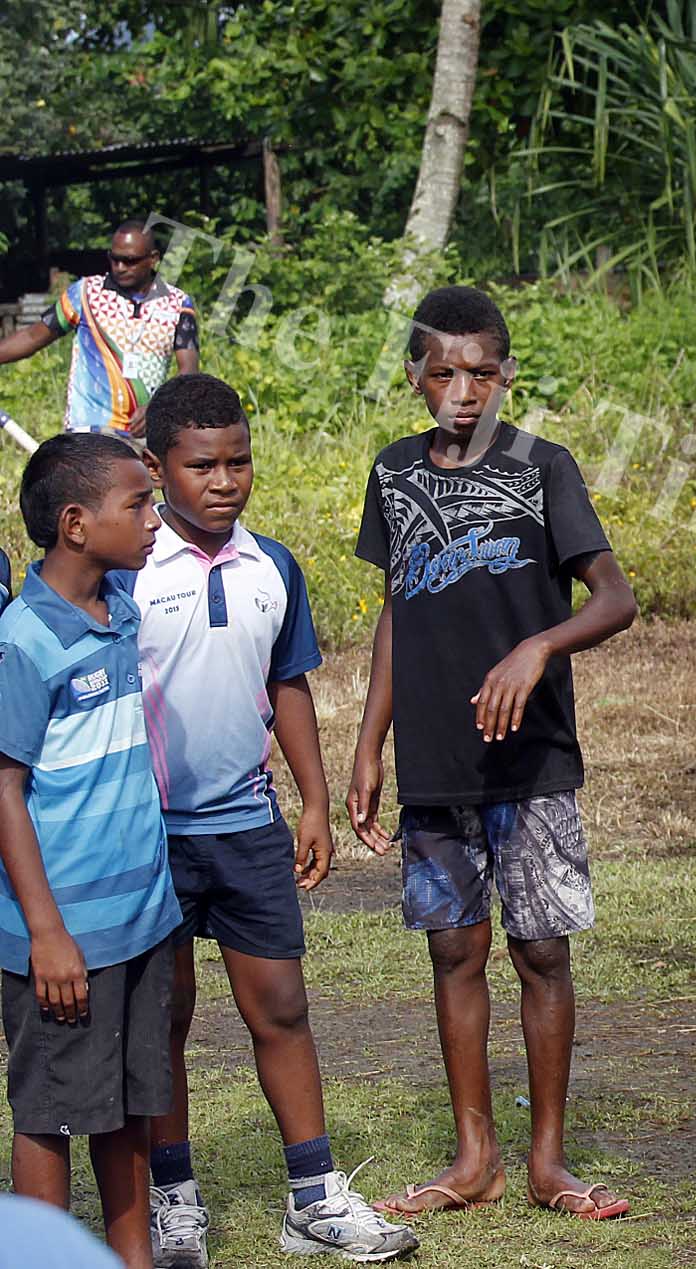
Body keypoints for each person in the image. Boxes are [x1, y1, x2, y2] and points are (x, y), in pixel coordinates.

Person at [347, 286, 639, 1220]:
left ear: (506, 377)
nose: (463, 390)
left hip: (531, 756)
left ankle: (549, 1159)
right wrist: (369, 740)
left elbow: (613, 597)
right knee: (454, 949)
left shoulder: (541, 466)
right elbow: (397, 608)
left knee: (541, 949)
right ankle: (477, 1157)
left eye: (482, 373)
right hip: (436, 759)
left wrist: (539, 645)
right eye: (445, 372)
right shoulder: (393, 474)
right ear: (415, 378)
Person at [125, 374, 418, 1264]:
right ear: (156, 467)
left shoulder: (273, 565)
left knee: (281, 1006)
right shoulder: (125, 567)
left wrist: (315, 797)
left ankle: (314, 1196)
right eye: (201, 465)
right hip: (147, 835)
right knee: (164, 1014)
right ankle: (173, 1199)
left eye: (239, 461)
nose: (225, 481)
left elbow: (286, 685)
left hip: (247, 829)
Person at [0, 432, 180, 1269]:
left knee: (130, 1102)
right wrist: (46, 932)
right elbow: (4, 788)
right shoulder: (23, 640)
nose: (155, 519)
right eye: (138, 504)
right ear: (76, 523)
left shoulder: (121, 602)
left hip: (140, 919)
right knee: (50, 1110)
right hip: (64, 934)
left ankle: (130, 1256)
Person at [0, 221, 198, 438]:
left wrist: (158, 408)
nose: (120, 267)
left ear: (153, 259)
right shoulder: (85, 293)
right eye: (114, 258)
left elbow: (188, 370)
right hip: (87, 434)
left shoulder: (178, 304)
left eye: (129, 261)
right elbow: (32, 337)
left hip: (143, 437)